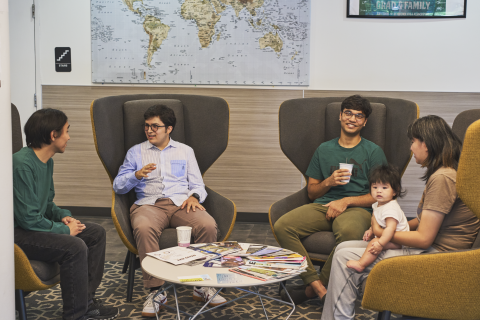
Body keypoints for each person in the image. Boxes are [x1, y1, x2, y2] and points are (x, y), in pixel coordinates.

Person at [321, 115, 480, 320]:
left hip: (440, 257)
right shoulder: (448, 172)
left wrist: (381, 232)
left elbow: (424, 238)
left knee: (344, 257)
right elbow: (424, 222)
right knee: (343, 248)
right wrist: (394, 224)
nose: (411, 148)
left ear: (427, 143)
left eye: (413, 141)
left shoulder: (443, 178)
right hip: (436, 250)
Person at [113, 104, 226, 317]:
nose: (149, 130)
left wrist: (194, 197)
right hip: (148, 204)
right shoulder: (136, 152)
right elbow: (118, 186)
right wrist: (136, 175)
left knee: (208, 224)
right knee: (144, 228)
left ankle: (202, 285)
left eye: (155, 126)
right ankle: (156, 291)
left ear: (169, 129)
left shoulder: (185, 151)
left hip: (181, 203)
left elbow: (198, 185)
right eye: (147, 126)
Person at [274, 95, 388, 305]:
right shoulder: (324, 149)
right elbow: (312, 193)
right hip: (323, 205)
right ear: (340, 116)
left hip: (357, 208)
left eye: (358, 115)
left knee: (351, 234)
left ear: (365, 122)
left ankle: (309, 290)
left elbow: (379, 195)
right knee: (283, 226)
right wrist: (328, 182)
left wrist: (346, 202)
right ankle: (316, 286)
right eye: (348, 113)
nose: (352, 119)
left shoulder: (373, 152)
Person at [13, 109, 119, 320]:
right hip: (18, 234)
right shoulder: (22, 164)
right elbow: (27, 218)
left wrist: (63, 216)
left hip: (32, 227)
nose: (69, 137)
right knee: (74, 245)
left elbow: (47, 204)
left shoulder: (47, 161)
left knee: (95, 233)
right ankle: (75, 314)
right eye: (66, 131)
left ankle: (86, 301)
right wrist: (64, 230)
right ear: (53, 135)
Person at [346, 164, 409, 272]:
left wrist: (380, 244)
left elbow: (390, 229)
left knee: (374, 242)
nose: (379, 191)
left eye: (384, 188)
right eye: (375, 187)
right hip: (389, 238)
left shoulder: (391, 209)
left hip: (400, 243)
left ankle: (361, 264)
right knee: (373, 239)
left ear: (395, 191)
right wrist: (371, 230)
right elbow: (379, 222)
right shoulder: (378, 204)